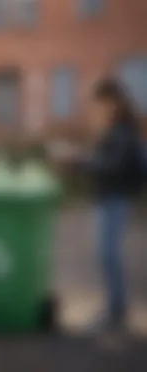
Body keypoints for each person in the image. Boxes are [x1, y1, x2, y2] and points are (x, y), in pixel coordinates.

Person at [84, 78, 145, 330]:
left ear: (112, 102)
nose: (97, 109)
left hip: (114, 198)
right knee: (106, 254)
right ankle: (114, 307)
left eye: (100, 103)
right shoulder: (119, 128)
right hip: (111, 198)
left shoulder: (121, 130)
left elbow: (112, 166)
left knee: (108, 254)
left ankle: (116, 310)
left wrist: (80, 162)